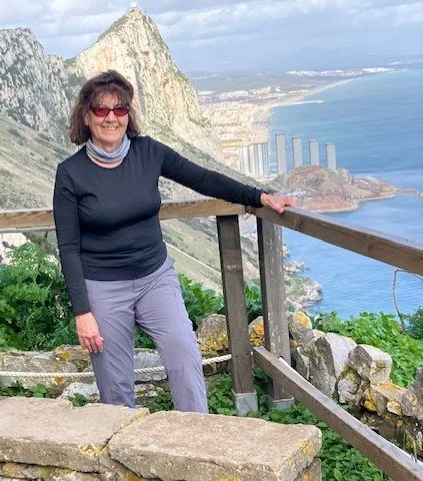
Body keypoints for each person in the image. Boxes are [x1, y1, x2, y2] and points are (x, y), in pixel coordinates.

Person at [53, 70, 295, 412]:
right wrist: (83, 312)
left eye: (120, 109)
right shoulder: (70, 173)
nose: (111, 118)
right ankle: (125, 441)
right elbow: (68, 248)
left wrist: (259, 196)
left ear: (128, 115)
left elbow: (203, 178)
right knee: (115, 385)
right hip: (103, 286)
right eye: (101, 110)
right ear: (86, 116)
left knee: (184, 353)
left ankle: (195, 434)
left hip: (155, 277)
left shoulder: (148, 152)